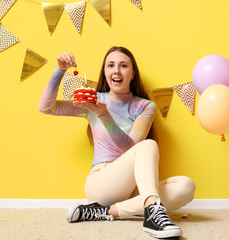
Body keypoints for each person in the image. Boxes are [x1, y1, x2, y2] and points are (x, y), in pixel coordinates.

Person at [38, 46, 196, 239]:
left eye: (123, 66)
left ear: (132, 73)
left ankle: (105, 212)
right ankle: (153, 213)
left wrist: (105, 115)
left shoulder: (146, 106)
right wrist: (59, 70)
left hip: (135, 188)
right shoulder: (93, 101)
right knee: (148, 145)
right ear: (105, 73)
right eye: (111, 65)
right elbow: (46, 107)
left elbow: (130, 148)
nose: (116, 71)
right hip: (102, 183)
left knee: (186, 186)